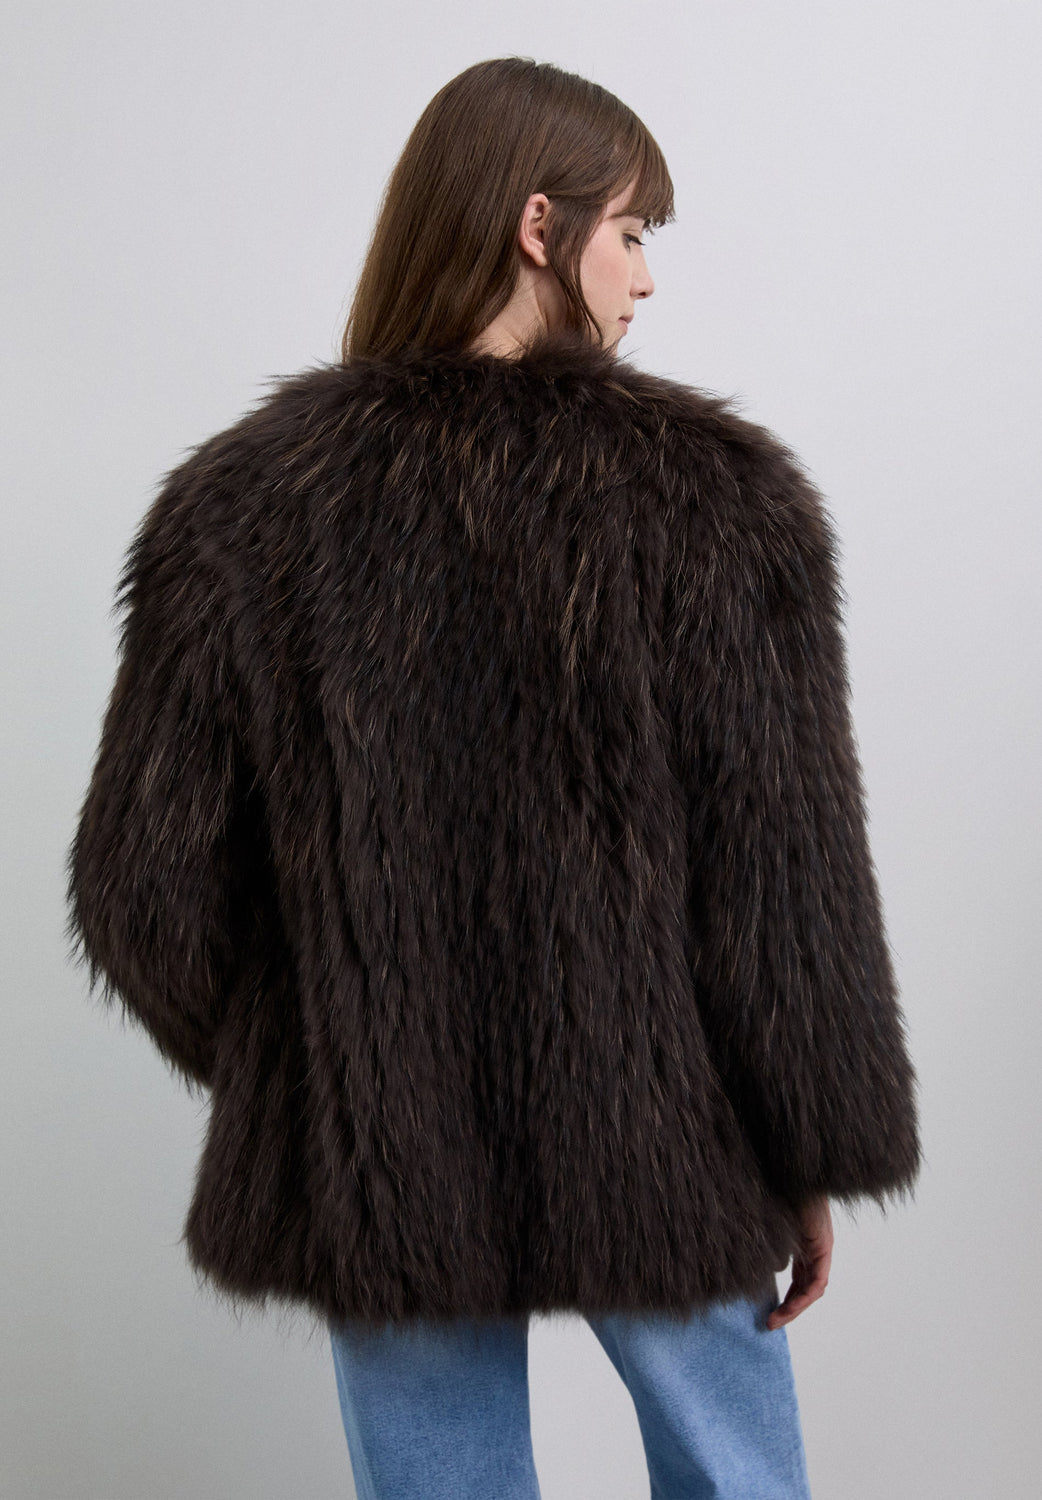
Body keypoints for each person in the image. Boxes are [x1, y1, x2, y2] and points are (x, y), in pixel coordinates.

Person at [65, 56, 921, 1500]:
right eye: (630, 231)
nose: (644, 276)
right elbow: (784, 889)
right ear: (539, 225)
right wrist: (804, 1143)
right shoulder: (716, 505)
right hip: (662, 1137)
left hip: (380, 1158)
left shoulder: (241, 509)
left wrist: (324, 1054)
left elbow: (140, 891)